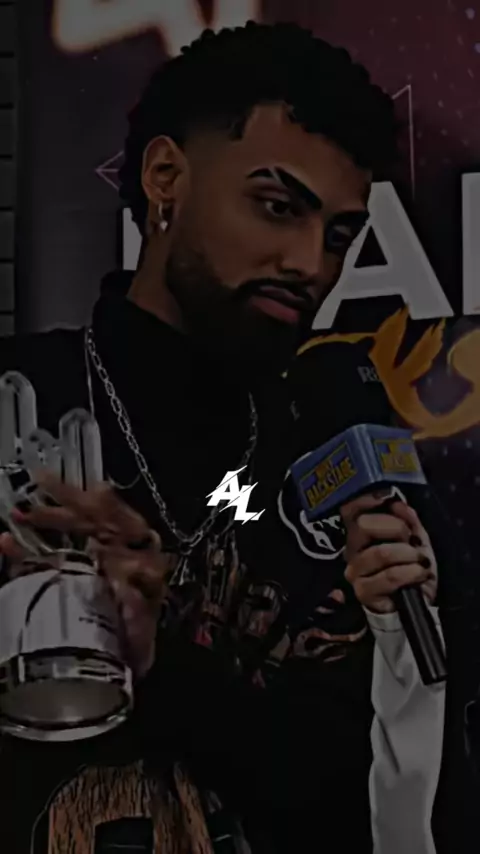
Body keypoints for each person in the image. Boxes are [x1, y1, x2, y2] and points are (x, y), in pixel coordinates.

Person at [0, 22, 445, 854]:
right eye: (277, 207)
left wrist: (164, 659)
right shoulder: (18, 404)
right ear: (165, 178)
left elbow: (357, 804)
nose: (311, 264)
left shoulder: (329, 469)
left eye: (340, 236)